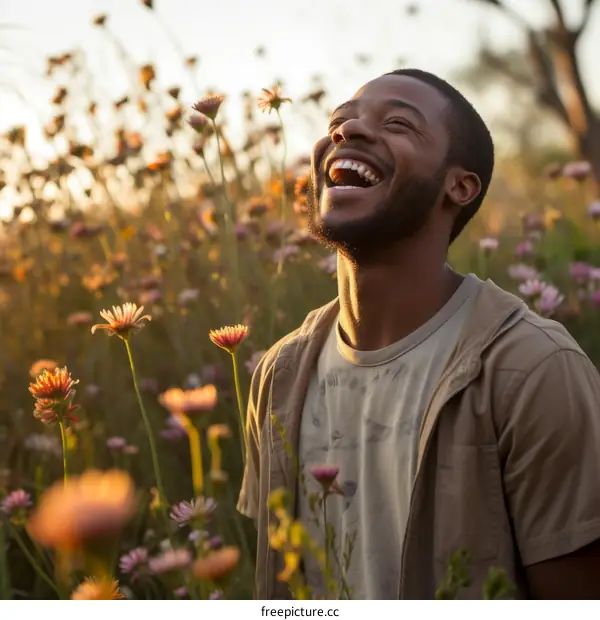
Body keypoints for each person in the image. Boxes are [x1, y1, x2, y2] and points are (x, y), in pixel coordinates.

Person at [237, 69, 600, 600]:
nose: (348, 132)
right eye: (339, 122)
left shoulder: (534, 370)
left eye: (398, 124)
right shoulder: (279, 374)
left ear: (460, 186)